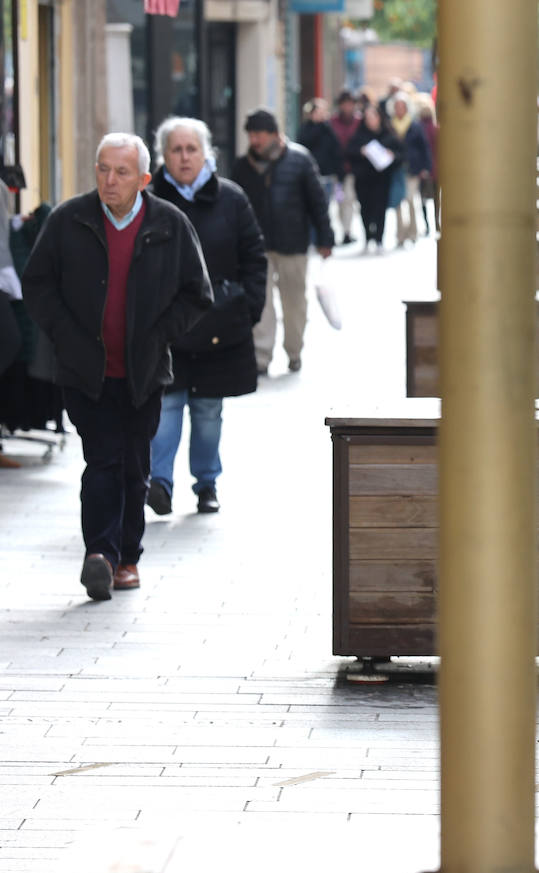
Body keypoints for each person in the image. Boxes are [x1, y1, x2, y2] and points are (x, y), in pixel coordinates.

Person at [22, 133, 212, 600]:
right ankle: (101, 556)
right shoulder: (70, 219)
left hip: (144, 371)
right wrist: (66, 335)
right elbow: (38, 283)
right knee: (102, 460)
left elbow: (198, 293)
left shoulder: (169, 223)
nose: (110, 180)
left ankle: (128, 556)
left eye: (122, 172)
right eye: (103, 169)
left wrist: (161, 331)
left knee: (135, 467)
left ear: (144, 179)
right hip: (85, 371)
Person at [147, 117, 268, 517]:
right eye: (175, 150)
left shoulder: (232, 199)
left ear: (205, 153)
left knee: (207, 412)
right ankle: (159, 483)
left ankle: (206, 483)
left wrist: (247, 309)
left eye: (191, 149)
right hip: (167, 330)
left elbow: (254, 256)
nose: (184, 157)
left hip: (219, 330)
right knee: (165, 407)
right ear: (163, 155)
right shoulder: (148, 200)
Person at [228, 109, 332, 375]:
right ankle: (261, 356)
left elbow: (317, 201)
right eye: (251, 134)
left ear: (274, 134)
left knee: (294, 301)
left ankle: (294, 351)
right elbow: (234, 207)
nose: (254, 140)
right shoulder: (242, 166)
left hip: (292, 244)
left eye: (259, 134)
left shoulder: (299, 160)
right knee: (260, 302)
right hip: (256, 247)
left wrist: (325, 237)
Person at [346, 104, 403, 253]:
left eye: (374, 117)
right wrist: (361, 152)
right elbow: (348, 152)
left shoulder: (389, 135)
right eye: (368, 118)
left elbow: (401, 155)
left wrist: (392, 155)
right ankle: (368, 238)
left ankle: (379, 239)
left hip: (382, 180)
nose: (371, 121)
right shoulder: (359, 136)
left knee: (380, 210)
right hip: (363, 180)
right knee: (365, 209)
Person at [296, 99, 343, 247]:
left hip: (327, 174)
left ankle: (320, 238)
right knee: (310, 207)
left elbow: (336, 148)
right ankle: (310, 237)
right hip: (311, 175)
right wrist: (318, 125)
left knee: (324, 207)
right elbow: (305, 142)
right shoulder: (306, 128)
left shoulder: (328, 128)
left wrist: (339, 172)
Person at [390, 93, 432, 247]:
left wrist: (425, 167)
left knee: (410, 200)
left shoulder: (415, 125)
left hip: (412, 168)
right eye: (397, 107)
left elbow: (424, 147)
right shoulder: (390, 125)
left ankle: (412, 232)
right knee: (398, 203)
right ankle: (400, 234)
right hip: (396, 169)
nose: (399, 110)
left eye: (402, 106)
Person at [330, 89, 362, 244]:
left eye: (350, 104)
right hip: (337, 170)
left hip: (353, 169)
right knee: (339, 200)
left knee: (349, 200)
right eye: (345, 104)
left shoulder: (359, 122)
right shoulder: (332, 122)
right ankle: (343, 228)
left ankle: (347, 231)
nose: (347, 107)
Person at [415, 96, 440, 235]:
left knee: (423, 199)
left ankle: (427, 225)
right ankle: (436, 223)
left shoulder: (418, 129)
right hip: (436, 168)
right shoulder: (436, 128)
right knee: (436, 199)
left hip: (425, 168)